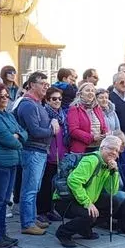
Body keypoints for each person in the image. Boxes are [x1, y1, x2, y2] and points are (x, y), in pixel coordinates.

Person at [53, 136, 122, 248]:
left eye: (117, 151)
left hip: (84, 197)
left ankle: (83, 228)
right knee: (89, 214)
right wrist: (87, 203)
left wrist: (114, 172)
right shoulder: (92, 160)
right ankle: (63, 233)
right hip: (66, 200)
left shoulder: (106, 164)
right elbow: (73, 181)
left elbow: (112, 191)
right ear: (102, 148)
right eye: (111, 149)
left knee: (114, 202)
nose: (114, 153)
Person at [0, 82, 28, 248]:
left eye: (6, 96)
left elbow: (23, 132)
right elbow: (10, 141)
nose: (5, 99)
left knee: (3, 202)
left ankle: (2, 233)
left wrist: (18, 136)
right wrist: (16, 137)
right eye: (1, 96)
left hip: (10, 163)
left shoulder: (7, 115)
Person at [14, 72, 55, 236]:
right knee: (30, 189)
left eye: (47, 83)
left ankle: (32, 218)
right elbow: (35, 131)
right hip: (32, 151)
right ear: (31, 85)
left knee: (34, 187)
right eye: (42, 83)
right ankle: (27, 223)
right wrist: (52, 129)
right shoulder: (28, 105)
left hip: (39, 151)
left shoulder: (37, 103)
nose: (46, 86)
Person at [38, 87, 67, 223]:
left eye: (60, 99)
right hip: (49, 154)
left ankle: (51, 209)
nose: (57, 101)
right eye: (54, 99)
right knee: (45, 184)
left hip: (60, 154)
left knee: (54, 185)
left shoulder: (62, 114)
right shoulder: (45, 113)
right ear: (47, 100)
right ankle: (42, 211)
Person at [67, 82, 108, 153]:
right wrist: (92, 138)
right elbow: (73, 130)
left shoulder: (97, 108)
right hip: (82, 149)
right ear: (80, 94)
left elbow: (103, 126)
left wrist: (105, 133)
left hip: (98, 148)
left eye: (92, 91)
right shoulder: (75, 108)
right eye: (87, 90)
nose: (90, 93)